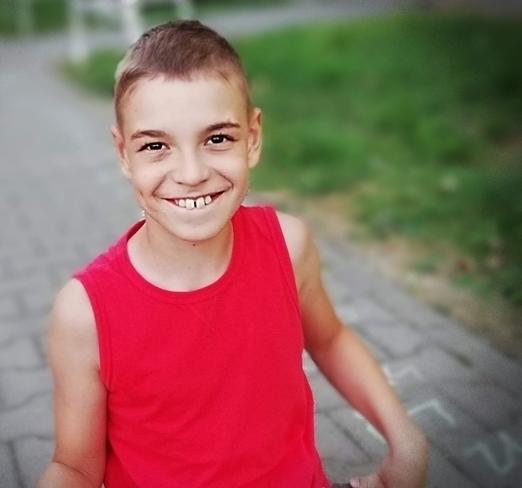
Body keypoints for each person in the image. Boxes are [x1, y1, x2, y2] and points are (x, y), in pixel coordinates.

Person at [37, 20, 428, 488]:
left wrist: (405, 439)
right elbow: (75, 468)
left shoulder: (288, 247)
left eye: (217, 139)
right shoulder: (85, 313)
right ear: (123, 153)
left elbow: (329, 340)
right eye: (156, 146)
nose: (191, 173)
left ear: (253, 137)